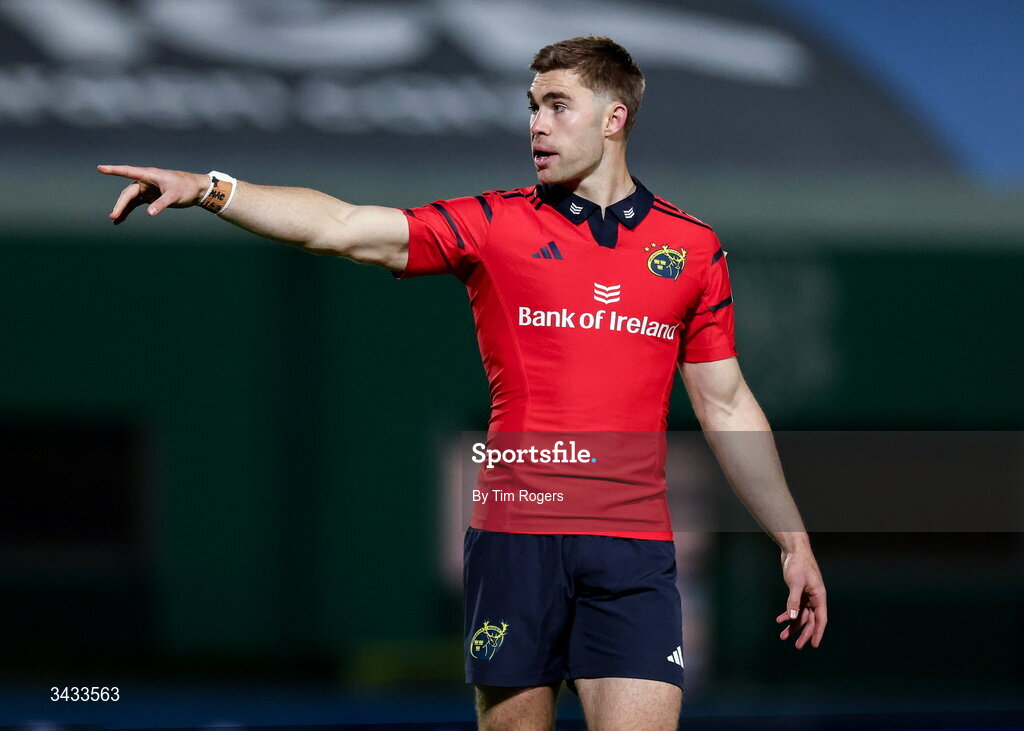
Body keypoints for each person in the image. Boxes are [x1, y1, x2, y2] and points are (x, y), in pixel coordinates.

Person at [99, 35, 826, 731]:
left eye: (557, 105)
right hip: (517, 540)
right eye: (531, 106)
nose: (536, 125)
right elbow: (344, 225)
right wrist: (210, 188)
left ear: (615, 118)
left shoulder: (692, 247)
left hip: (632, 548)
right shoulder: (493, 224)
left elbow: (725, 400)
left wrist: (790, 537)